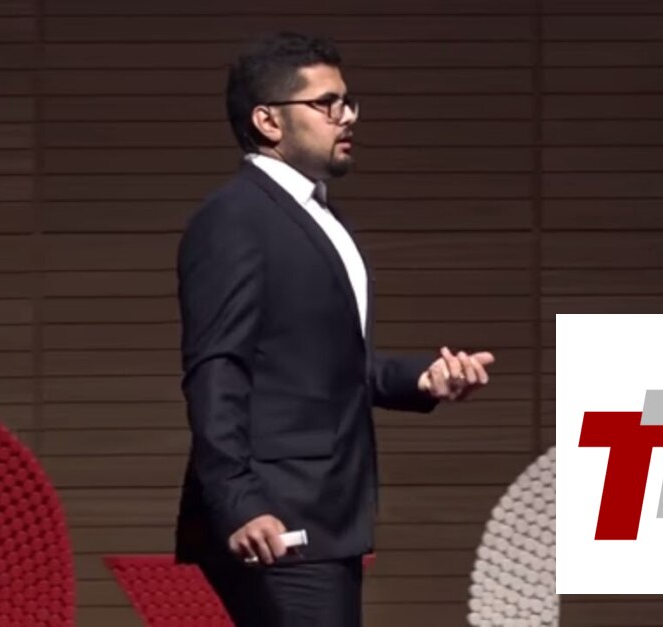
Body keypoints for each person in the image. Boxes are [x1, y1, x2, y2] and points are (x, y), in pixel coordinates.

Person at [173, 31, 495, 626]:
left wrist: (422, 378)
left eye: (348, 102)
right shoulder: (235, 218)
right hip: (275, 523)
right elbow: (216, 368)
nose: (347, 117)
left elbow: (318, 365)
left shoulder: (316, 215)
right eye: (327, 103)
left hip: (325, 516)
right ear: (268, 120)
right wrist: (239, 502)